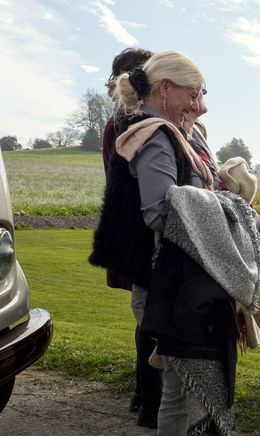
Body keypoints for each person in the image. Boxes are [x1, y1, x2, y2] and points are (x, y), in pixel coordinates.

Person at [90, 51, 259, 434]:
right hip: (167, 281)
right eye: (193, 93)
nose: (200, 105)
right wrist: (231, 210)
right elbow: (161, 210)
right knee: (180, 389)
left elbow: (184, 199)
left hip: (181, 279)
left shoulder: (172, 132)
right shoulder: (154, 135)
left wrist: (221, 200)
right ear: (165, 88)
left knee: (179, 390)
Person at [101, 46, 158, 426]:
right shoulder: (131, 123)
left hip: (129, 230)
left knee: (146, 319)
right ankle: (150, 399)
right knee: (152, 318)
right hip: (141, 232)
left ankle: (143, 393)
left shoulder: (119, 122)